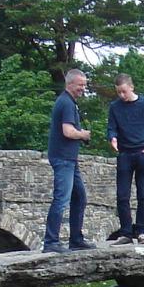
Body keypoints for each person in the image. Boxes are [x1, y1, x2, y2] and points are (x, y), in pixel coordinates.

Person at [44, 69, 97, 252]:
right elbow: (68, 131)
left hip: (69, 159)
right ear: (70, 83)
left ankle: (76, 239)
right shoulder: (66, 103)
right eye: (80, 85)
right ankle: (51, 242)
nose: (83, 88)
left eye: (84, 85)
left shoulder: (69, 102)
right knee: (61, 199)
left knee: (79, 197)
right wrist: (83, 134)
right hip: (63, 158)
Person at [106, 74, 144, 245]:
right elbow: (111, 128)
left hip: (142, 153)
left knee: (143, 195)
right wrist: (112, 138)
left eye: (124, 91)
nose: (121, 95)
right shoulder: (115, 107)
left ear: (131, 87)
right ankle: (126, 233)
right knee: (122, 195)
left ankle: (142, 232)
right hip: (124, 154)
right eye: (118, 92)